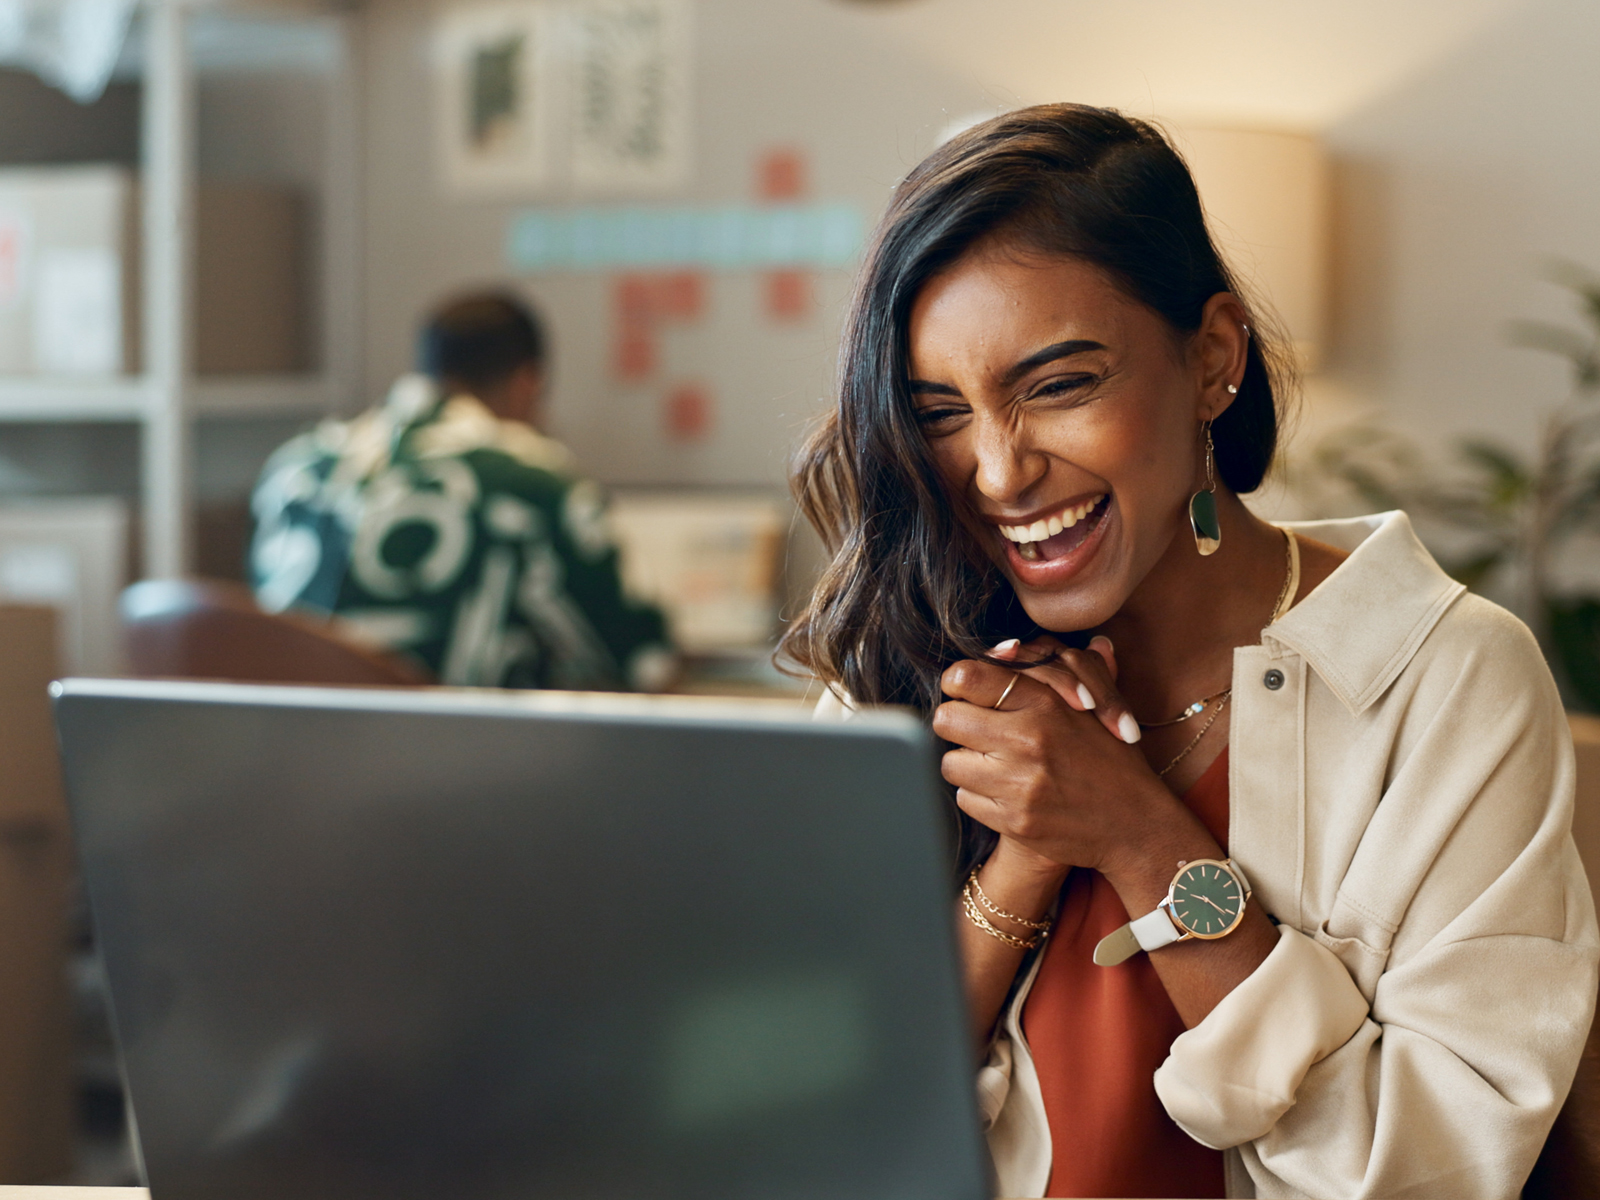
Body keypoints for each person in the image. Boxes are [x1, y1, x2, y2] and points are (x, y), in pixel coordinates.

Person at [786, 105, 1599, 1199]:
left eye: (1058, 385)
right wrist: (1026, 856)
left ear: (1212, 357)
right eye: (938, 412)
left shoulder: (1443, 676)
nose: (996, 472)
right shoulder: (904, 654)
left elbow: (1428, 1171)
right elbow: (817, 1119)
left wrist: (1136, 837)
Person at [250, 291, 674, 691]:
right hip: (461, 760)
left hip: (293, 758)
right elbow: (644, 663)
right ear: (527, 383)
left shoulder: (299, 468)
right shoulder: (533, 480)